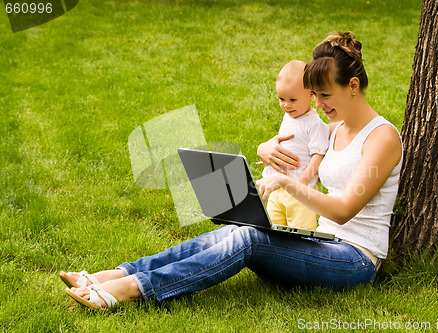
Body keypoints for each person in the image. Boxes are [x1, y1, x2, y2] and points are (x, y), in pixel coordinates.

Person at [60, 31, 403, 310]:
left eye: (325, 95)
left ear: (354, 86)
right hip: (322, 242)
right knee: (239, 227)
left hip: (355, 260)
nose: (318, 105)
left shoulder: (382, 138)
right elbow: (291, 141)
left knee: (248, 238)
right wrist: (262, 149)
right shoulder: (333, 129)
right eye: (314, 96)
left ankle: (133, 289)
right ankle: (116, 274)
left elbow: (344, 211)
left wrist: (286, 181)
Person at [262, 60, 329, 231]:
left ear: (310, 95)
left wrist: (301, 183)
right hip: (277, 189)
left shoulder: (314, 124)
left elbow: (317, 157)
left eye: (292, 99)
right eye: (281, 99)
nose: (286, 104)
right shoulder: (289, 117)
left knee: (301, 233)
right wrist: (270, 162)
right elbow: (290, 146)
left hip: (301, 192)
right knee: (273, 230)